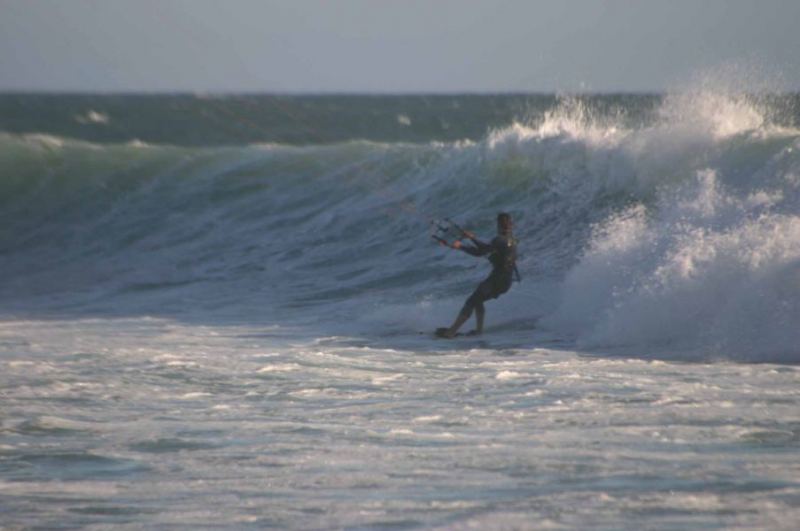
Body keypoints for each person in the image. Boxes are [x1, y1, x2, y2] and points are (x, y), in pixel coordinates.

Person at [436, 212, 518, 338]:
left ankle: (450, 332)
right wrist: (471, 238)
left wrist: (460, 247)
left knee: (471, 301)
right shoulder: (512, 240)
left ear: (498, 225)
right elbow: (487, 250)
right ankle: (479, 332)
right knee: (478, 300)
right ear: (510, 225)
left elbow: (480, 252)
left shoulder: (499, 240)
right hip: (506, 281)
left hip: (497, 279)